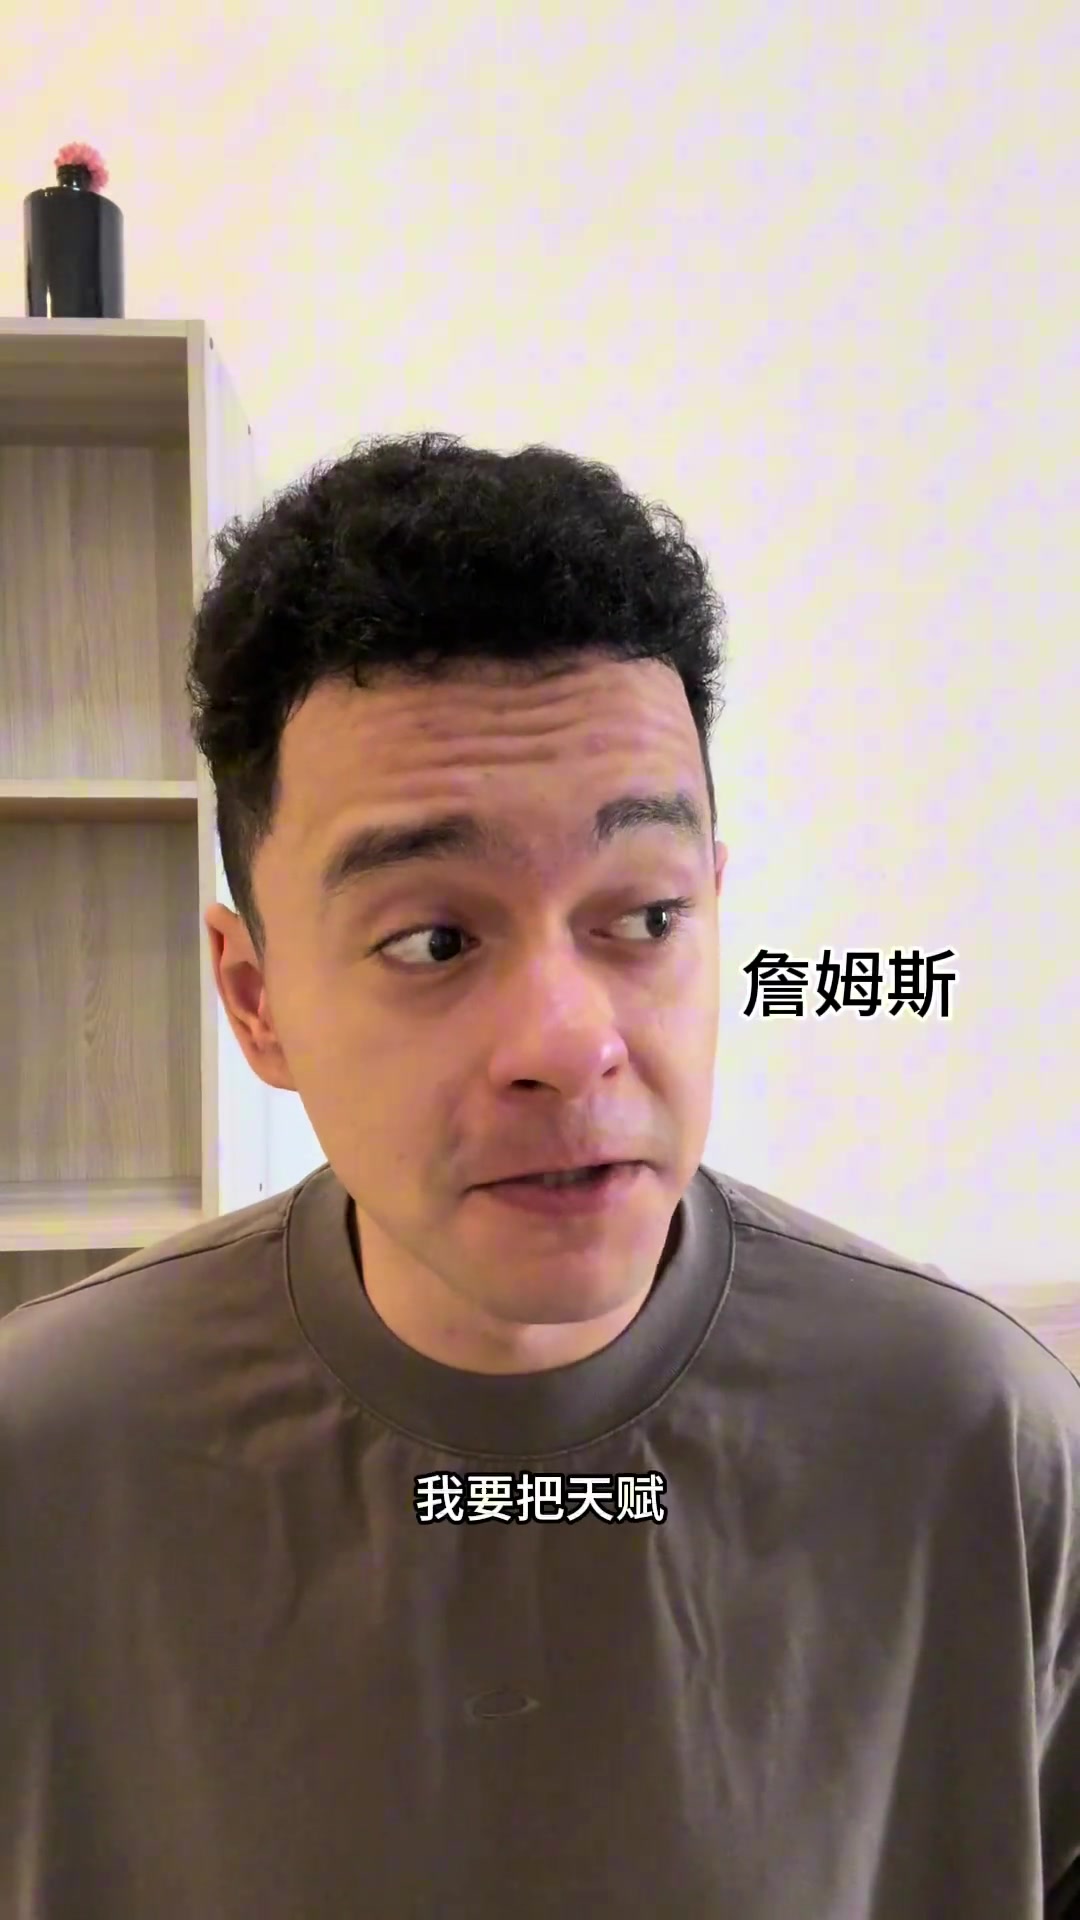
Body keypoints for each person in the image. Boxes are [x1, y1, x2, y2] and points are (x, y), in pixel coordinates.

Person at [1, 431, 1077, 1919]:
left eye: (644, 917)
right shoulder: (46, 1463)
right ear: (256, 999)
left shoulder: (977, 1438)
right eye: (434, 939)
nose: (570, 1047)